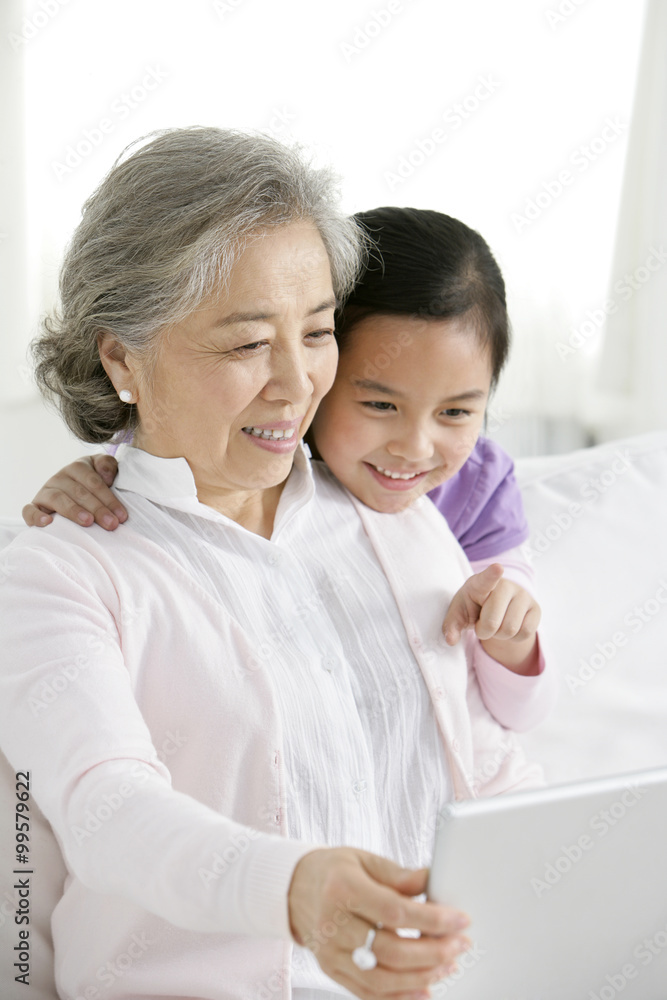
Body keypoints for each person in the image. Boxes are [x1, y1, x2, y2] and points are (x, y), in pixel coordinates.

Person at [1, 126, 542, 1000]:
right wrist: (293, 891)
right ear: (120, 357)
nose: (297, 383)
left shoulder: (390, 520)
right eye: (248, 343)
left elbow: (485, 769)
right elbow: (109, 814)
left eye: (319, 332)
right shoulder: (63, 574)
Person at [24, 207, 553, 729]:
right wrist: (86, 478)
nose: (414, 449)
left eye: (457, 412)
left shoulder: (478, 486)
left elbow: (519, 713)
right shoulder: (269, 444)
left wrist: (511, 636)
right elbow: (151, 471)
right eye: (380, 406)